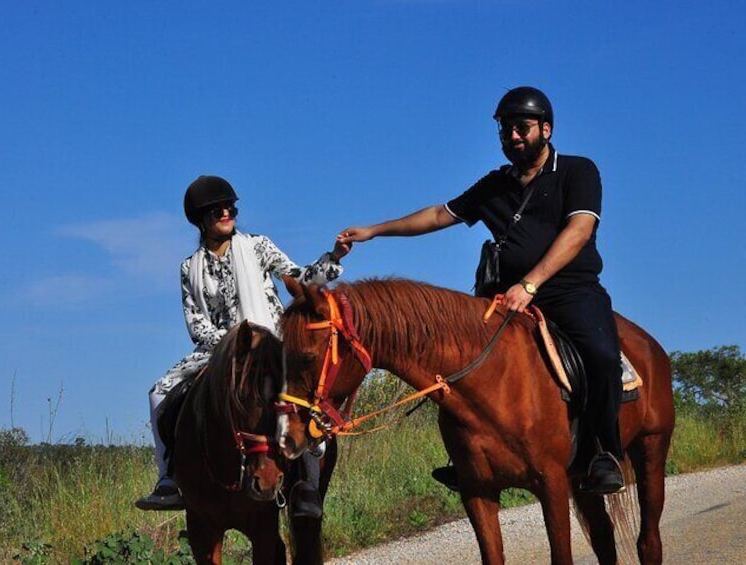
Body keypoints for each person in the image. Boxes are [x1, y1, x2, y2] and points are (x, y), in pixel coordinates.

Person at [336, 87, 625, 495]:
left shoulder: (578, 171)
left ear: (546, 128)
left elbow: (579, 231)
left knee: (600, 353)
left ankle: (605, 453)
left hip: (568, 290)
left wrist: (531, 283)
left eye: (521, 128)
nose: (513, 137)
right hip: (503, 297)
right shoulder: (495, 184)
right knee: (460, 360)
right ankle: (467, 457)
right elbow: (440, 215)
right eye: (505, 130)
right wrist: (375, 231)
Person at [136, 175, 351, 513]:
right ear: (202, 218)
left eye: (230, 207)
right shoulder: (189, 268)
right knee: (159, 392)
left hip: (271, 342)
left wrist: (333, 257)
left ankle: (307, 484)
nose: (226, 212)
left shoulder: (258, 246)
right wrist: (229, 346)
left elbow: (300, 276)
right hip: (219, 350)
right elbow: (195, 322)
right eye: (218, 209)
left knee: (301, 392)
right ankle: (169, 478)